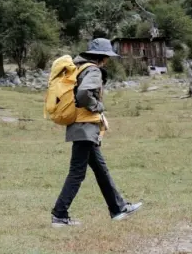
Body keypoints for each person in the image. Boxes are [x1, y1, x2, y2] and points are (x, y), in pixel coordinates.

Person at [51, 38, 143, 227]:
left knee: (101, 170)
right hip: (84, 127)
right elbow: (83, 94)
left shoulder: (79, 68)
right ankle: (59, 214)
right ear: (103, 57)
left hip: (83, 126)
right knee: (77, 173)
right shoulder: (93, 70)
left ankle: (118, 209)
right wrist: (98, 107)